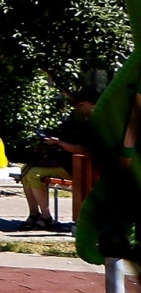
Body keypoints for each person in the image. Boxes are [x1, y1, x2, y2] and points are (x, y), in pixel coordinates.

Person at [21, 89, 96, 231]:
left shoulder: (95, 123)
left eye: (80, 105)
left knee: (33, 173)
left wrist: (59, 143)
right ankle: (34, 214)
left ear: (92, 104)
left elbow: (83, 149)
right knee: (25, 169)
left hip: (80, 168)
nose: (77, 108)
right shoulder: (84, 121)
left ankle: (46, 217)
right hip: (71, 164)